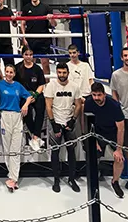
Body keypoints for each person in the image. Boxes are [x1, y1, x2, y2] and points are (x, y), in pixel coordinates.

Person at [0, 64, 33, 191]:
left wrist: (25, 105)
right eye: (7, 72)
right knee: (7, 147)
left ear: (14, 74)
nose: (9, 74)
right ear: (4, 72)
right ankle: (12, 175)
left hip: (17, 116)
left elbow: (29, 96)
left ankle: (14, 178)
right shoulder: (0, 85)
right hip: (5, 116)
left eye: (11, 72)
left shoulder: (18, 86)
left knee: (15, 148)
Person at [44, 62, 82, 193]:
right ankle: (56, 179)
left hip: (69, 121)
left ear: (68, 73)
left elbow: (78, 104)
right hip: (56, 121)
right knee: (55, 151)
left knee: (71, 151)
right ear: (57, 73)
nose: (62, 75)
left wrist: (73, 120)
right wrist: (53, 123)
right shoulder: (51, 86)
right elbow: (48, 106)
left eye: (64, 72)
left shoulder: (74, 86)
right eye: (59, 72)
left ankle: (72, 178)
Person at [84, 82, 125, 198]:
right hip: (97, 132)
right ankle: (94, 175)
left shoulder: (114, 105)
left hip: (113, 132)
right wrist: (94, 142)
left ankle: (115, 181)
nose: (96, 98)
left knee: (119, 159)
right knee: (93, 153)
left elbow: (121, 128)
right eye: (94, 95)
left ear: (104, 94)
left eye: (99, 95)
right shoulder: (89, 103)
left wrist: (119, 149)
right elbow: (86, 123)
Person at [15, 46, 46, 151]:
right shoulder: (18, 68)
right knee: (26, 110)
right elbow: (16, 85)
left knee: (40, 107)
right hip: (23, 95)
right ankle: (35, 135)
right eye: (26, 54)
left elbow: (41, 85)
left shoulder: (37, 69)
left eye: (31, 55)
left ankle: (35, 136)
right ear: (22, 55)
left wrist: (35, 95)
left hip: (35, 94)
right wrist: (26, 96)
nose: (28, 57)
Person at [111, 46, 128, 190]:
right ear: (121, 58)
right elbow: (114, 94)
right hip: (127, 115)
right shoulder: (116, 75)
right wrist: (117, 112)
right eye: (125, 56)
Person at [21, 0, 56, 75]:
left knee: (45, 63)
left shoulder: (46, 7)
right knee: (30, 63)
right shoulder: (26, 8)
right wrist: (24, 37)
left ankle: (47, 83)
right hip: (31, 38)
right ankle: (31, 82)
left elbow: (54, 24)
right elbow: (23, 24)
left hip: (43, 38)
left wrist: (51, 18)